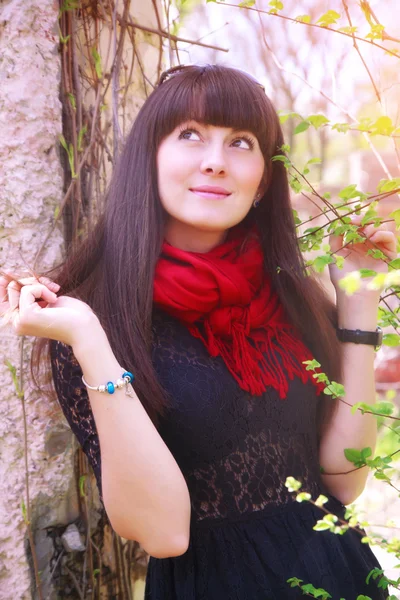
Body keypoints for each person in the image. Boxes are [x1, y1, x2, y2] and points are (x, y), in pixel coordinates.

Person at [1, 64, 396, 599]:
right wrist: (90, 343)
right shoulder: (99, 320)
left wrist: (359, 303)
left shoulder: (291, 297)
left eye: (240, 142)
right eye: (190, 135)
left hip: (340, 576)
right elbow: (163, 533)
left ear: (262, 180)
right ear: (150, 160)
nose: (215, 162)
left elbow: (344, 481)